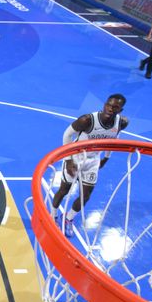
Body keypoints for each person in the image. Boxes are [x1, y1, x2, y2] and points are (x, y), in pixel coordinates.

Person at [51, 94, 129, 237]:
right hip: (76, 157)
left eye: (115, 107)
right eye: (108, 105)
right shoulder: (87, 120)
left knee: (86, 196)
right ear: (105, 104)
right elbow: (67, 135)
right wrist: (68, 160)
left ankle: (68, 218)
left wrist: (106, 157)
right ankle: (53, 214)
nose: (111, 108)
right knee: (64, 190)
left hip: (93, 160)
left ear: (120, 110)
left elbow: (114, 139)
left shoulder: (121, 123)